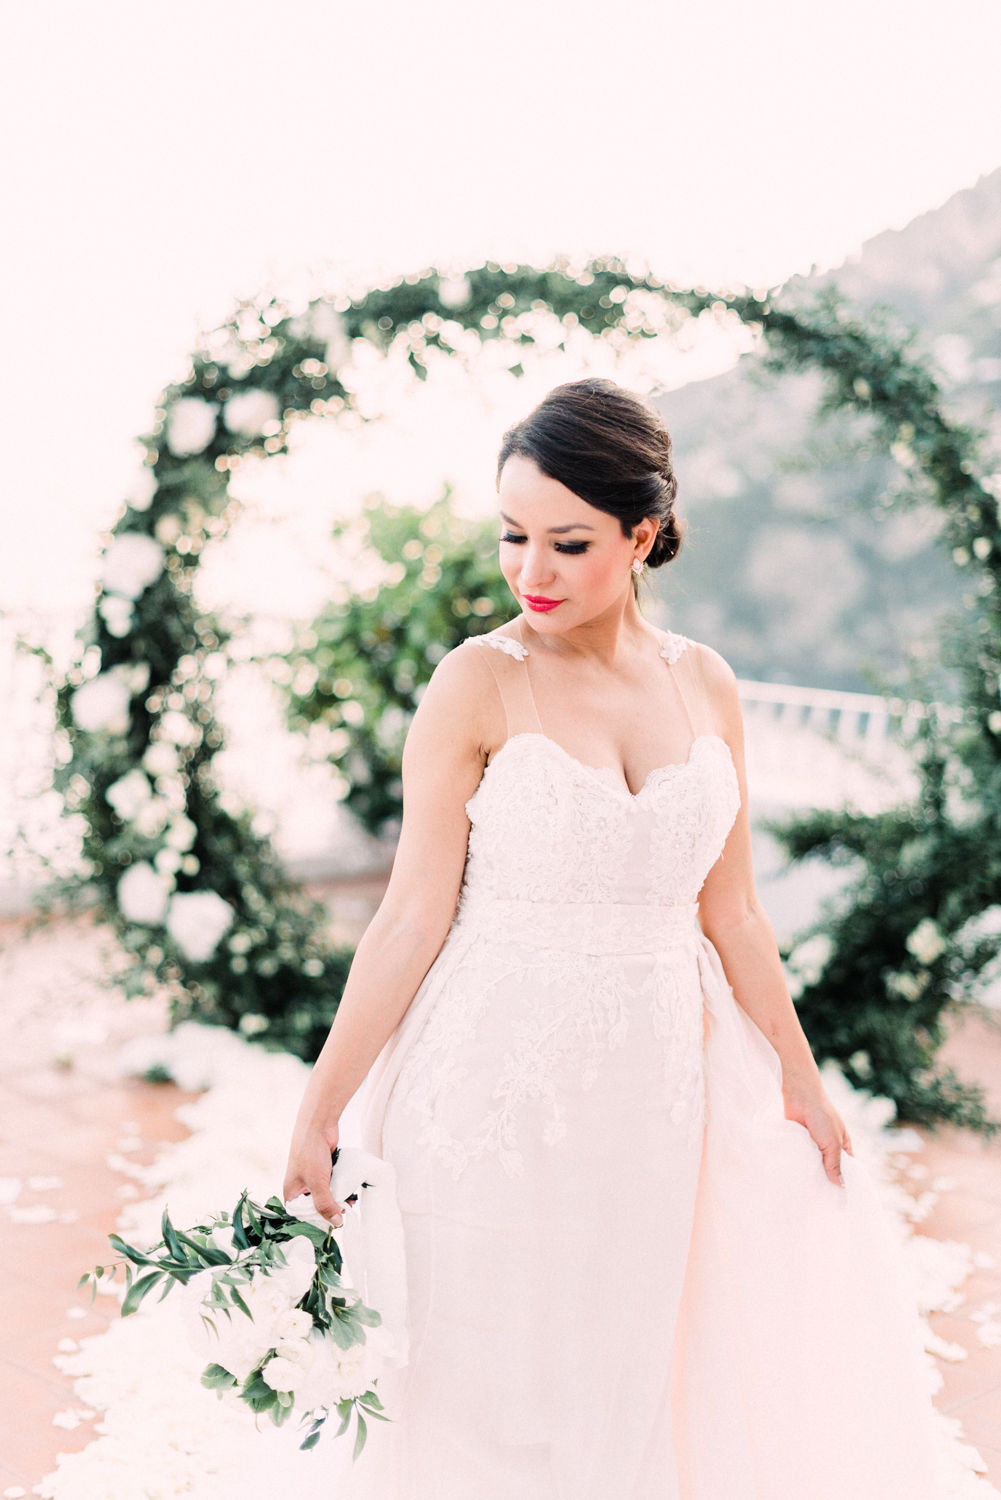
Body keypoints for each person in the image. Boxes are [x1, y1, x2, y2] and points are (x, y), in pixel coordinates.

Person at [283, 378, 950, 1498]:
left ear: (640, 535)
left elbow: (729, 910)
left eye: (566, 542)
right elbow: (410, 914)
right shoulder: (476, 684)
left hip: (658, 1085)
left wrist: (798, 1075)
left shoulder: (705, 684)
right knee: (486, 1362)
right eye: (511, 536)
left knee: (629, 1349)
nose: (527, 573)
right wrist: (321, 1111)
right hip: (490, 1078)